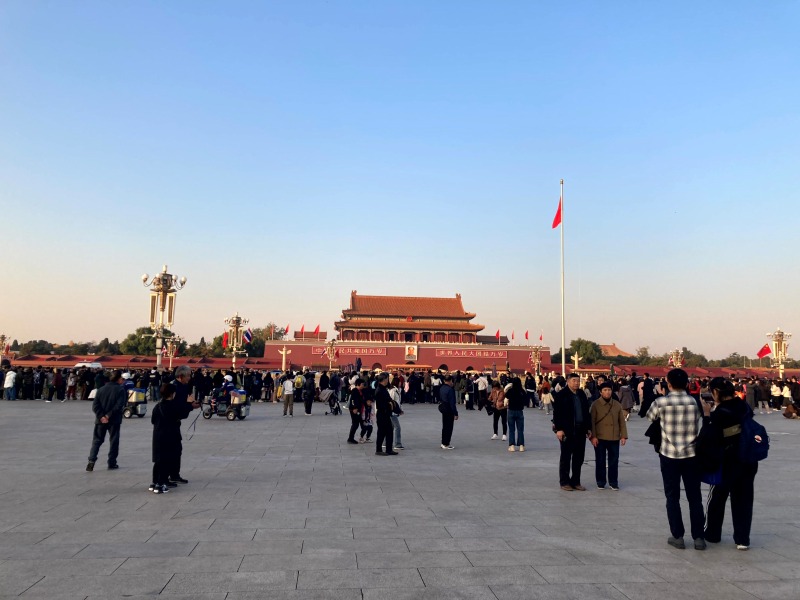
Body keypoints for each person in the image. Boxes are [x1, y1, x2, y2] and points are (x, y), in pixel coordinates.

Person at [646, 368, 706, 550]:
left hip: (669, 454)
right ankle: (698, 537)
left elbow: (650, 417)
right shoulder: (694, 402)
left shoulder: (661, 402)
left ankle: (678, 536)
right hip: (691, 454)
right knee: (694, 497)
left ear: (668, 383)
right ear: (687, 383)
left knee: (672, 496)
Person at [701, 377, 758, 550]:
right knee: (743, 499)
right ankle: (742, 539)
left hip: (727, 461)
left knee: (717, 497)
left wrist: (707, 415)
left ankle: (712, 533)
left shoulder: (720, 413)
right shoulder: (744, 407)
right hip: (748, 459)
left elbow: (709, 436)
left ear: (716, 392)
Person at [552, 373, 592, 491]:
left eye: (578, 381)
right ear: (568, 381)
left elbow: (586, 412)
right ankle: (564, 482)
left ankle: (575, 481)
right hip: (567, 431)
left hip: (580, 430)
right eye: (574, 380)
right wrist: (559, 429)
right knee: (566, 457)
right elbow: (557, 413)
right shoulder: (561, 395)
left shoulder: (581, 394)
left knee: (579, 458)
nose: (576, 383)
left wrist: (588, 428)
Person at [86, 370, 127, 471]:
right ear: (118, 379)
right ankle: (112, 462)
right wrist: (108, 415)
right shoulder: (120, 390)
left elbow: (95, 406)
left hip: (100, 420)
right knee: (114, 441)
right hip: (114, 420)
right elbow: (119, 405)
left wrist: (101, 416)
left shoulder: (101, 389)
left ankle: (91, 460)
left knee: (97, 440)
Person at [590, 381, 628, 490]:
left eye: (609, 390)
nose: (607, 392)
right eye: (605, 390)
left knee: (614, 461)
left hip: (614, 437)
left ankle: (613, 481)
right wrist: (593, 436)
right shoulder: (595, 404)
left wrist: (623, 436)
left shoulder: (617, 404)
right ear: (601, 392)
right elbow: (592, 422)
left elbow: (621, 421)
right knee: (600, 460)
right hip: (600, 437)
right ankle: (600, 481)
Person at [169, 366, 200, 484]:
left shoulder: (183, 386)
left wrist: (191, 403)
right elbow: (176, 406)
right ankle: (170, 475)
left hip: (176, 421)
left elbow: (185, 401)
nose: (189, 378)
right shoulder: (174, 387)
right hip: (170, 422)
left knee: (177, 449)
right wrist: (191, 407)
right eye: (188, 376)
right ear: (181, 376)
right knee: (173, 449)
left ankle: (174, 474)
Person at [150, 383, 182, 494]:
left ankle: (155, 482)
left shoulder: (157, 406)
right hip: (170, 436)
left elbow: (153, 420)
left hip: (158, 435)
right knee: (167, 460)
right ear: (172, 394)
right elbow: (179, 416)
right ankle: (161, 483)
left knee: (158, 460)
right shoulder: (173, 406)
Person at [374, 373, 397, 456]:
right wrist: (389, 404)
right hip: (382, 413)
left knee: (389, 431)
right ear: (384, 379)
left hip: (386, 413)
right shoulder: (379, 390)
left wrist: (392, 404)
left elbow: (389, 399)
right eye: (387, 378)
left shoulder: (383, 389)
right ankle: (378, 450)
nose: (388, 380)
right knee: (381, 432)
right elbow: (380, 404)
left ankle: (389, 449)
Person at [505, 377, 526, 452]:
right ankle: (521, 446)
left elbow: (506, 396)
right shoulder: (522, 391)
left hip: (511, 411)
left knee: (511, 429)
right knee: (520, 429)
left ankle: (512, 446)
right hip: (520, 411)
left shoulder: (510, 391)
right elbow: (526, 399)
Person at [439, 374, 458, 449]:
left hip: (443, 408)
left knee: (444, 426)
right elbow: (452, 403)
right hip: (449, 409)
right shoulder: (450, 390)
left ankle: (443, 442)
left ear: (444, 380)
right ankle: (446, 443)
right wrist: (455, 413)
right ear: (450, 381)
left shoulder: (442, 388)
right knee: (449, 427)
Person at [346, 378, 366, 444]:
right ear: (358, 384)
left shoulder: (360, 391)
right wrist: (354, 408)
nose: (363, 385)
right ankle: (350, 438)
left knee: (358, 424)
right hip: (355, 410)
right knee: (355, 424)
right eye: (362, 384)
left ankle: (357, 437)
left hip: (359, 410)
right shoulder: (355, 391)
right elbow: (353, 400)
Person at [388, 378, 404, 450]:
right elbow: (391, 401)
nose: (401, 383)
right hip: (392, 412)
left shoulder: (397, 390)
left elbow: (398, 401)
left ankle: (386, 442)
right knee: (397, 427)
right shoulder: (393, 390)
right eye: (400, 382)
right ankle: (397, 444)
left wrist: (399, 410)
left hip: (394, 411)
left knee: (390, 427)